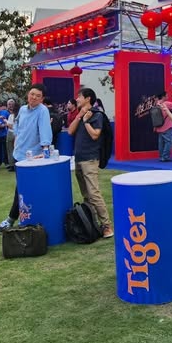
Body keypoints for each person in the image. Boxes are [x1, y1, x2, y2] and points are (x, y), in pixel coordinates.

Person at [0, 84, 53, 231]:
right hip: (19, 155)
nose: (33, 97)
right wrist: (17, 141)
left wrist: (45, 151)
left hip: (33, 158)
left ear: (42, 99)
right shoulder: (22, 109)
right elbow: (18, 126)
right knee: (23, 188)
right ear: (28, 94)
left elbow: (45, 132)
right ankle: (25, 218)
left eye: (37, 96)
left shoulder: (43, 111)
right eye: (32, 94)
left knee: (22, 188)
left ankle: (11, 219)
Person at [67, 87, 112, 238]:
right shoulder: (79, 114)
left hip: (90, 159)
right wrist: (79, 116)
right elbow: (70, 131)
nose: (77, 99)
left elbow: (95, 135)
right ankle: (92, 223)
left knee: (94, 193)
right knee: (86, 194)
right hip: (79, 159)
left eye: (79, 97)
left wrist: (86, 121)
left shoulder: (96, 115)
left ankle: (107, 226)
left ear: (88, 98)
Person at [154, 96, 172, 162]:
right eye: (166, 95)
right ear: (163, 96)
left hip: (159, 127)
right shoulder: (166, 104)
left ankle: (161, 156)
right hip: (167, 126)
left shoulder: (156, 105)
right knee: (168, 142)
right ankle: (165, 157)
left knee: (161, 143)